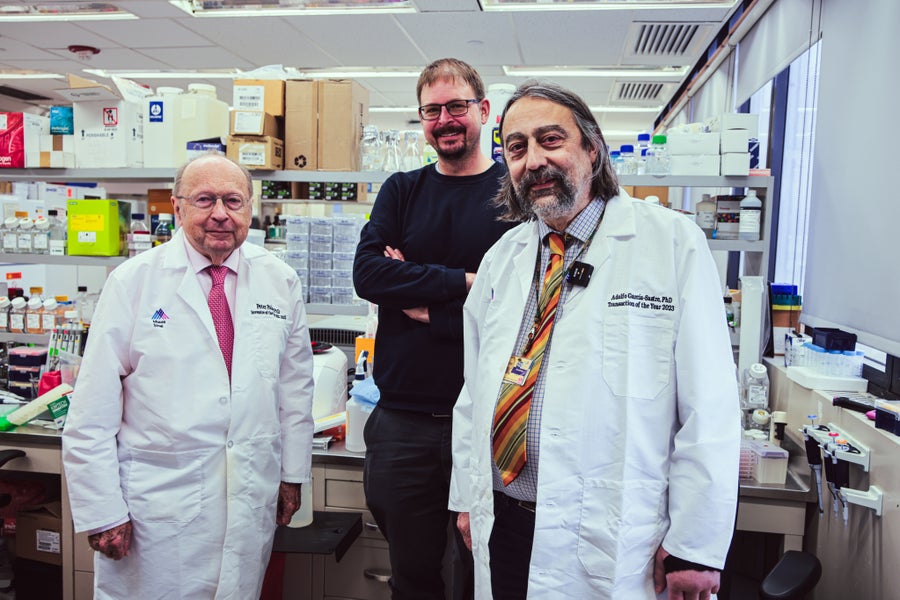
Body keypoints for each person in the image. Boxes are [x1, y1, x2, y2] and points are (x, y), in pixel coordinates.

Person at [449, 81, 741, 599]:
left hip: (615, 533)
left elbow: (711, 407)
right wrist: (467, 499)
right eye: (516, 148)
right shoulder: (503, 258)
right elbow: (473, 394)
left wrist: (696, 546)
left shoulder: (671, 245)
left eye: (550, 139)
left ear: (592, 148)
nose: (533, 160)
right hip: (506, 523)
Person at [62, 153, 315, 599]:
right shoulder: (134, 282)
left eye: (233, 201)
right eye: (205, 200)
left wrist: (292, 476)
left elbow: (294, 388)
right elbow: (91, 412)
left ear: (250, 208)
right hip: (157, 509)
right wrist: (102, 512)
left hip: (248, 496)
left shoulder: (280, 280)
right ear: (177, 208)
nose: (220, 213)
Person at [353, 58, 516, 599]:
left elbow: (521, 304)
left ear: (484, 111)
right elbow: (369, 274)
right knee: (414, 577)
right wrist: (469, 281)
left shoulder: (513, 197)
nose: (445, 119)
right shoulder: (401, 190)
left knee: (486, 577)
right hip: (404, 422)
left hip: (492, 423)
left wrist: (426, 302)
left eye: (456, 107)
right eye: (432, 110)